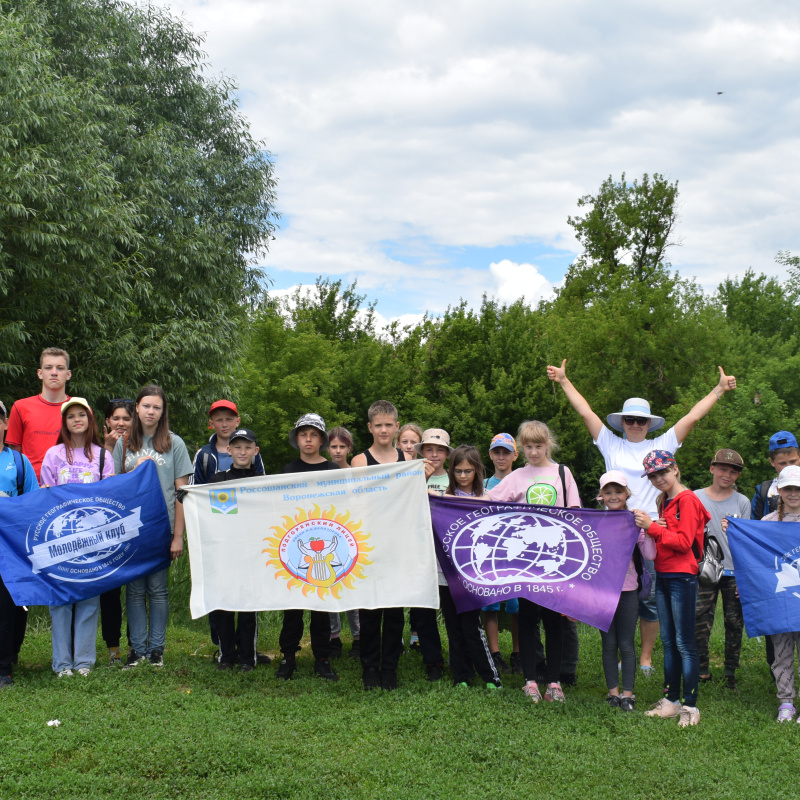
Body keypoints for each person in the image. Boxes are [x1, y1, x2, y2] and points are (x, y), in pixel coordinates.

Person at [546, 360, 736, 672]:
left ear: (649, 424)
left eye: (641, 421)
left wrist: (718, 389)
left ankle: (645, 657)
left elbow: (692, 416)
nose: (635, 425)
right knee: (616, 592)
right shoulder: (610, 442)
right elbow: (585, 412)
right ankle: (621, 652)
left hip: (651, 530)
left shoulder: (662, 445)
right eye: (630, 420)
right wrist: (564, 380)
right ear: (622, 422)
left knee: (648, 596)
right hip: (616, 530)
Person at [489, 420, 581, 703]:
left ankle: (554, 682)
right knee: (527, 619)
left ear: (548, 444)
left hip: (555, 558)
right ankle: (530, 681)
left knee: (554, 619)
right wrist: (445, 498)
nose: (533, 451)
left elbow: (575, 513)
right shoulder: (516, 477)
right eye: (527, 446)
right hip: (524, 560)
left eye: (538, 446)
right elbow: (488, 501)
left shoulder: (562, 473)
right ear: (521, 447)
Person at [113, 385, 193, 668]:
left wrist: (178, 536)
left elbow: (182, 493)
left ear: (163, 412)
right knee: (134, 590)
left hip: (162, 526)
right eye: (146, 405)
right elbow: (115, 489)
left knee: (158, 590)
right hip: (132, 528)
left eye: (156, 407)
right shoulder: (124, 444)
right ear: (136, 407)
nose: (150, 411)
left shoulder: (175, 443)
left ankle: (156, 650)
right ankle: (137, 650)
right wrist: (136, 472)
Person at [634, 450, 710, 728]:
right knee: (668, 641)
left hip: (682, 577)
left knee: (684, 643)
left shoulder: (687, 499)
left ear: (675, 469)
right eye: (652, 475)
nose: (658, 478)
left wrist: (652, 527)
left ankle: (691, 705)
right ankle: (671, 700)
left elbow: (684, 542)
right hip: (664, 574)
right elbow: (670, 536)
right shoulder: (666, 500)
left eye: (663, 472)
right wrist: (656, 527)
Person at [176, 428, 263, 671]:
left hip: (252, 554)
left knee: (248, 607)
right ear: (229, 450)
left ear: (255, 451)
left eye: (248, 447)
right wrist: (187, 495)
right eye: (237, 447)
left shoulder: (264, 483)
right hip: (224, 554)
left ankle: (248, 657)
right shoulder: (217, 481)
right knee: (223, 605)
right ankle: (226, 655)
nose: (242, 452)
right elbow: (201, 508)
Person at [40, 398, 114, 677]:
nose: (77, 419)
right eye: (71, 416)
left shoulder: (102, 456)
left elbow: (109, 496)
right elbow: (44, 494)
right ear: (64, 423)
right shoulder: (53, 455)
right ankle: (62, 664)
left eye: (82, 414)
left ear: (90, 419)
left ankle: (83, 662)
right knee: (60, 600)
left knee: (87, 599)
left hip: (92, 538)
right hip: (59, 538)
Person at [275, 413, 339, 682]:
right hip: (296, 546)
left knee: (321, 608)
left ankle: (322, 658)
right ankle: (288, 656)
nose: (308, 439)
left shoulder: (334, 472)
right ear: (297, 439)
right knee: (293, 607)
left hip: (327, 546)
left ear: (322, 439)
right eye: (303, 434)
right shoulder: (287, 471)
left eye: (314, 434)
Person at [351, 401, 408, 691]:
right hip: (369, 544)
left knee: (395, 613)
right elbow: (355, 505)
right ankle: (370, 669)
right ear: (370, 428)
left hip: (398, 545)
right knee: (371, 612)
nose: (384, 430)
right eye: (378, 425)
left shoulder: (407, 459)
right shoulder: (360, 461)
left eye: (389, 424)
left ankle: (390, 668)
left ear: (397, 426)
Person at [439, 445, 501, 689]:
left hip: (473, 575)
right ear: (451, 472)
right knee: (453, 627)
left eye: (468, 471)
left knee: (472, 628)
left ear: (477, 470)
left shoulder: (486, 500)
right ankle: (461, 676)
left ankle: (490, 676)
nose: (463, 476)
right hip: (445, 574)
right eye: (457, 471)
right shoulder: (442, 500)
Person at [596, 471, 656, 711]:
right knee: (608, 644)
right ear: (601, 496)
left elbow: (650, 555)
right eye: (608, 492)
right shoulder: (595, 523)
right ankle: (613, 693)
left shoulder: (634, 521)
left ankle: (628, 695)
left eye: (618, 491)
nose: (613, 496)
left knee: (626, 643)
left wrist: (647, 529)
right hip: (602, 593)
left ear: (627, 493)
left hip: (629, 591)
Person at [694, 449, 750, 690]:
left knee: (734, 623)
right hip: (703, 569)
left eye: (733, 471)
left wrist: (735, 531)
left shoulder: (742, 501)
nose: (727, 475)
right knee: (699, 620)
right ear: (712, 469)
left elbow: (748, 541)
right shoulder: (695, 497)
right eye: (723, 469)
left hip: (734, 571)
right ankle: (702, 670)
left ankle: (731, 672)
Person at [749, 431, 799, 670]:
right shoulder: (764, 490)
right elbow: (753, 533)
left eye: (793, 461)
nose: (787, 466)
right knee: (776, 623)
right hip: (775, 570)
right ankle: (778, 676)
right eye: (782, 463)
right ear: (772, 462)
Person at [0, 400, 39, 689]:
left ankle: (6, 663)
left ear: (4, 425)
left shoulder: (20, 462)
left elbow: (34, 505)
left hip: (11, 545)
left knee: (11, 603)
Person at [411, 428, 453, 681]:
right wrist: (420, 482)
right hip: (420, 552)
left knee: (453, 609)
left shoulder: (456, 477)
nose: (434, 454)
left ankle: (461, 656)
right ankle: (433, 661)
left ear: (447, 453)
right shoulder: (411, 477)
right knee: (425, 611)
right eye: (429, 449)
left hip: (448, 555)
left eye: (439, 449)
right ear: (422, 452)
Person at [761, 466, 800, 721]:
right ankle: (786, 702)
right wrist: (735, 529)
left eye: (798, 488)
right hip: (780, 599)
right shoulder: (767, 523)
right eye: (788, 489)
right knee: (781, 652)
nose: (793, 493)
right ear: (779, 491)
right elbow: (756, 557)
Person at [481, 432, 521, 674]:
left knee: (516, 604)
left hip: (518, 550)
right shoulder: (484, 485)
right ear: (490, 455)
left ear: (515, 455)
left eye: (506, 452)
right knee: (491, 605)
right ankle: (495, 654)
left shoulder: (524, 481)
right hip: (491, 552)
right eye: (497, 452)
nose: (501, 456)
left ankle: (518, 652)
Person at [99, 398, 135, 663]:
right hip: (106, 530)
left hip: (134, 526)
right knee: (109, 591)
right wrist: (108, 448)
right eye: (116, 418)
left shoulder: (143, 447)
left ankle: (137, 645)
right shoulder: (96, 451)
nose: (121, 423)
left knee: (135, 589)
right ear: (107, 422)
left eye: (126, 418)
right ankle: (113, 648)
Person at [6, 347, 72, 481]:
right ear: (40, 373)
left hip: (69, 483)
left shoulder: (80, 410)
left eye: (60, 368)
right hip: (30, 485)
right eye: (48, 368)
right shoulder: (21, 407)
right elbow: (14, 455)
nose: (54, 373)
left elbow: (88, 450)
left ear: (68, 374)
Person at [324, 426, 360, 658]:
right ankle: (334, 636)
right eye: (333, 446)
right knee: (329, 586)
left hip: (352, 535)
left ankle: (358, 636)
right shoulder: (321, 472)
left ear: (349, 448)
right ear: (327, 448)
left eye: (342, 446)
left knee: (353, 589)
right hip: (325, 535)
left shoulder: (357, 472)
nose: (337, 451)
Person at [192, 400, 265, 485]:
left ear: (237, 421)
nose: (224, 424)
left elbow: (262, 485)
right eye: (219, 420)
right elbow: (194, 489)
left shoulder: (252, 453)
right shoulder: (204, 455)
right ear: (211, 424)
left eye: (229, 419)